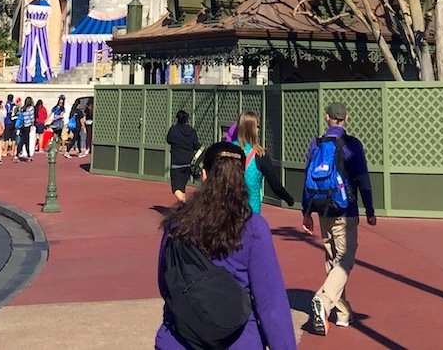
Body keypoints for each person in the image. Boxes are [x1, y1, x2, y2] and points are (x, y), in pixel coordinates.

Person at [156, 141, 295, 350]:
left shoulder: (177, 223)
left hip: (179, 338)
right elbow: (271, 304)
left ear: (204, 175)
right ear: (242, 178)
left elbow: (165, 280)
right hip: (237, 339)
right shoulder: (253, 228)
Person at [302, 100, 376, 336]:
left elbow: (308, 179)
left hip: (322, 208)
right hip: (346, 209)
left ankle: (343, 313)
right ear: (346, 118)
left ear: (327, 118)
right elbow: (363, 179)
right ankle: (323, 300)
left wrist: (306, 212)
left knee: (333, 260)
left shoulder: (316, 143)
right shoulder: (351, 145)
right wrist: (370, 209)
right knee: (346, 259)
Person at [236, 111, 294, 214]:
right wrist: (288, 199)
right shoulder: (259, 154)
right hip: (251, 212)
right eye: (257, 127)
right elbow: (274, 184)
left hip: (229, 212)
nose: (259, 130)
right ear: (252, 129)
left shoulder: (227, 150)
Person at [166, 109, 201, 203]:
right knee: (182, 187)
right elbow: (197, 146)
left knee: (176, 188)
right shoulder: (191, 131)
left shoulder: (173, 130)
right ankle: (183, 210)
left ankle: (186, 205)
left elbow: (168, 140)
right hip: (188, 163)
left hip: (177, 163)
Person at [16, 96, 35, 161]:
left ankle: (19, 154)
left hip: (22, 126)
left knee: (23, 140)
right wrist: (32, 125)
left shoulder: (22, 108)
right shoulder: (31, 108)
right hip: (27, 126)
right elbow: (32, 117)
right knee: (26, 141)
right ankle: (26, 155)